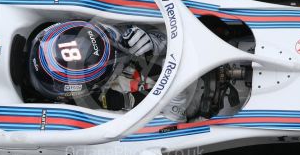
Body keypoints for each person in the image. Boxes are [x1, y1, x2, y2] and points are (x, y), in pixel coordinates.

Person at [28, 20, 194, 122]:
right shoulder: (93, 114)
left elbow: (170, 29)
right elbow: (172, 128)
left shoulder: (106, 38)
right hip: (199, 105)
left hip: (193, 52)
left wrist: (154, 41)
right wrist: (176, 94)